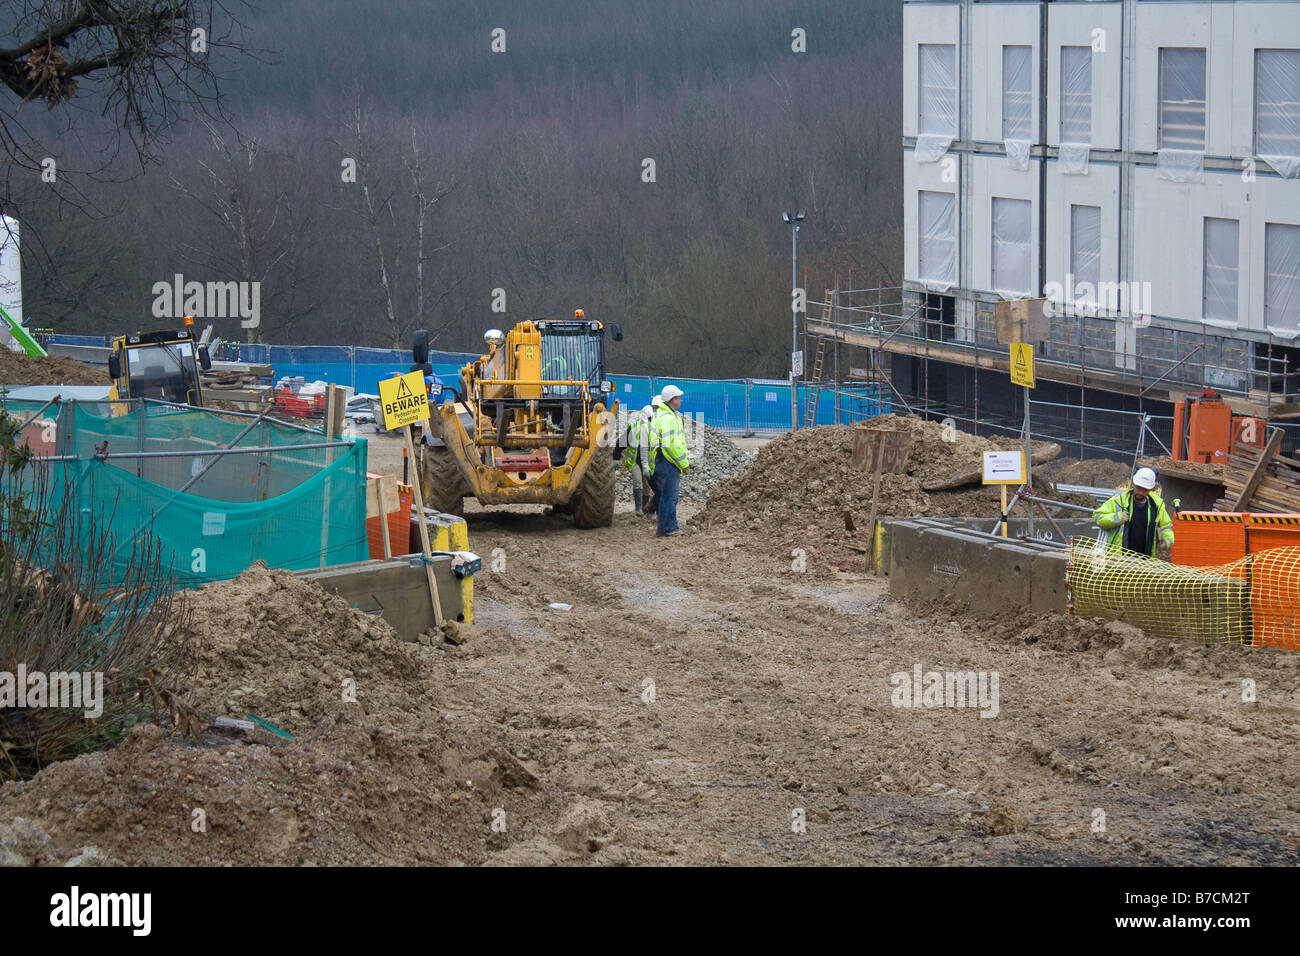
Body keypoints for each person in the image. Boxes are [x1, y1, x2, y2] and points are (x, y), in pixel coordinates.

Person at [1094, 467, 1175, 559]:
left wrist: (1167, 540)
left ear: (1150, 489)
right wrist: (1117, 518)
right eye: (1138, 488)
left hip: (1145, 560)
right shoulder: (1119, 501)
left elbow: (1166, 525)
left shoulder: (1156, 506)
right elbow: (1098, 517)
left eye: (1144, 490)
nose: (1140, 492)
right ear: (1133, 484)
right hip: (1118, 559)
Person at [648, 384, 689, 537]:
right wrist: (684, 463)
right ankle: (670, 528)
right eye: (678, 398)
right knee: (670, 497)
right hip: (667, 460)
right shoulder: (668, 418)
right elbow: (671, 444)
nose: (681, 400)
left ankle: (663, 528)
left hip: (663, 459)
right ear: (672, 400)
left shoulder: (665, 415)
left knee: (665, 496)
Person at [621, 405, 657, 515]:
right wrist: (616, 458)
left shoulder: (653, 429)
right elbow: (621, 443)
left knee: (646, 488)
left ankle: (644, 507)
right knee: (638, 482)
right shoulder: (634, 427)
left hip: (647, 464)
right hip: (635, 462)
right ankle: (638, 509)